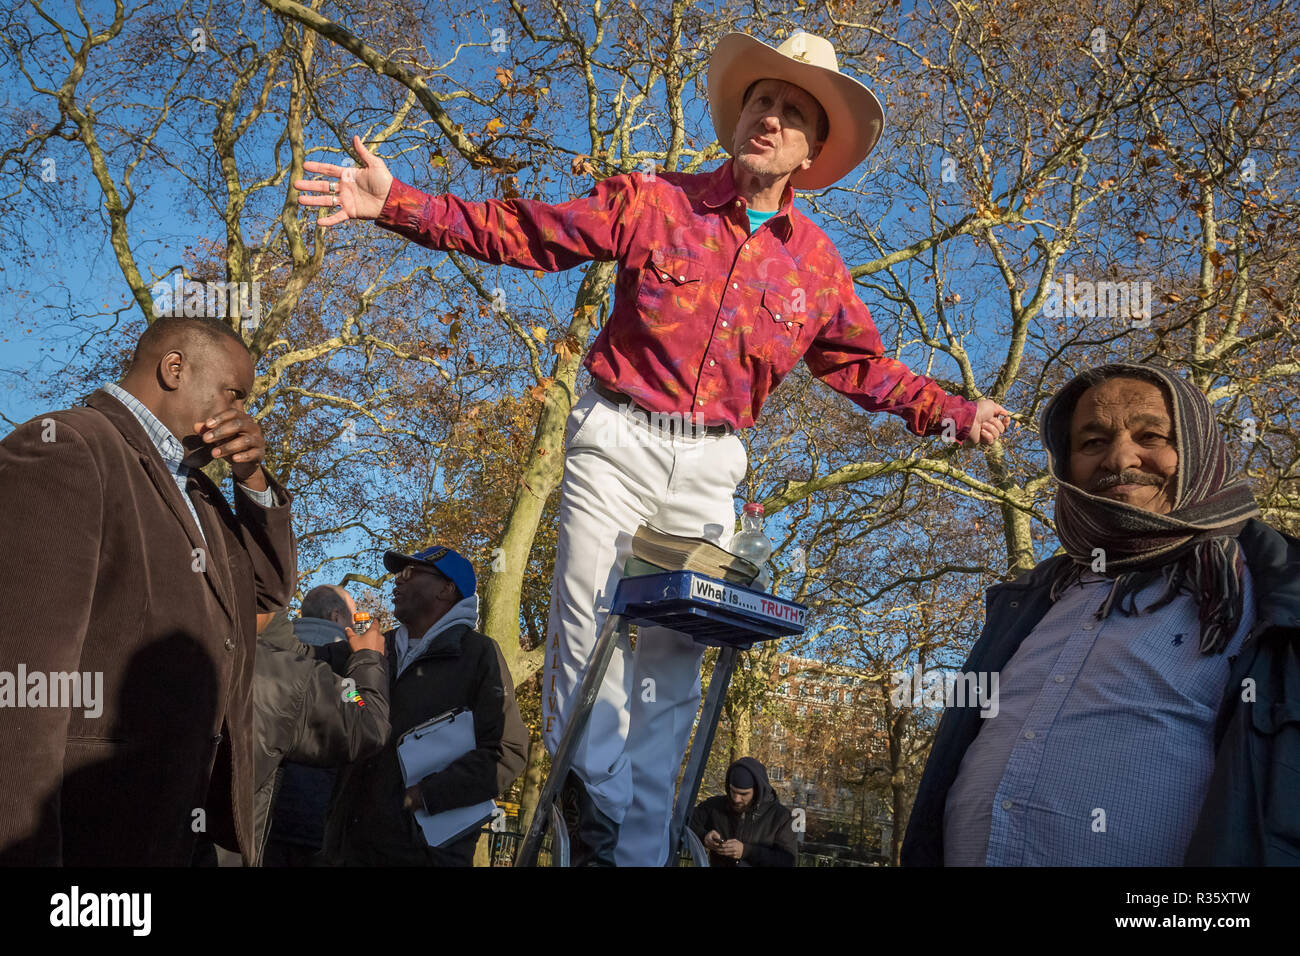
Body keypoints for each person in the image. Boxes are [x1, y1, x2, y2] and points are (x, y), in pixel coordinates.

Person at [293, 31, 1011, 866]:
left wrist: (953, 411)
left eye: (790, 112)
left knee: (671, 666)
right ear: (738, 117)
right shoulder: (657, 200)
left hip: (713, 465)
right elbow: (534, 232)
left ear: (813, 149)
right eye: (760, 101)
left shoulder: (818, 269)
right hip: (618, 435)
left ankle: (635, 850)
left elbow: (864, 368)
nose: (768, 118)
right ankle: (587, 825)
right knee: (586, 624)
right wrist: (402, 204)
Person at [902, 363, 1300, 866]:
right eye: (1091, 443)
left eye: (1151, 435)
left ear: (1199, 447)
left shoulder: (1274, 588)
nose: (1120, 458)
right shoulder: (1031, 597)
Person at [0, 315, 296, 865]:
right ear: (174, 368)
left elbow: (268, 594)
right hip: (90, 834)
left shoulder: (199, 490)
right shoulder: (69, 446)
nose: (241, 412)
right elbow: (20, 687)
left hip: (170, 831)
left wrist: (252, 477)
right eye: (234, 393)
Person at [319, 546, 529, 866]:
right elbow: (304, 665)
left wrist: (427, 795)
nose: (397, 582)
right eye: (397, 575)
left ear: (446, 589)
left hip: (427, 855)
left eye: (409, 573)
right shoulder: (373, 648)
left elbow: (507, 750)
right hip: (348, 848)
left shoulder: (479, 655)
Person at [245, 607, 390, 867]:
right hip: (313, 829)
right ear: (336, 617)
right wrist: (368, 660)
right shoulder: (310, 675)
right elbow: (363, 719)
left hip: (246, 830)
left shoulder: (231, 653)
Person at [263, 584, 361, 866]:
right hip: (319, 810)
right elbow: (361, 716)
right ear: (335, 616)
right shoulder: (348, 666)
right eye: (351, 617)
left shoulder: (267, 649)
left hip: (261, 805)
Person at [690, 757, 796, 867]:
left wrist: (746, 851)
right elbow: (685, 820)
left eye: (743, 794)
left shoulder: (782, 817)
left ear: (758, 791)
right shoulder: (714, 806)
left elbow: (787, 861)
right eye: (732, 791)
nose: (736, 798)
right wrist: (704, 836)